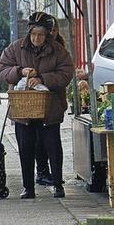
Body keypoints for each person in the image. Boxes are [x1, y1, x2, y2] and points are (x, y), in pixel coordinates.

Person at [0, 12, 73, 199]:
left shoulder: (58, 51)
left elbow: (66, 73)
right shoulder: (16, 48)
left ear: (47, 35)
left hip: (50, 108)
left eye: (40, 35)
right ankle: (28, 188)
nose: (36, 38)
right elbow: (2, 68)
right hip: (23, 110)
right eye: (33, 34)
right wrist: (20, 71)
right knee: (26, 147)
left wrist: (42, 78)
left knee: (53, 146)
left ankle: (58, 184)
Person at [35, 15, 66, 186]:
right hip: (37, 101)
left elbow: (63, 74)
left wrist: (45, 79)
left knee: (53, 140)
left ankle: (54, 175)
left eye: (55, 30)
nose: (53, 33)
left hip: (54, 100)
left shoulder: (59, 47)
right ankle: (42, 171)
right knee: (39, 140)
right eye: (51, 30)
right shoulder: (38, 47)